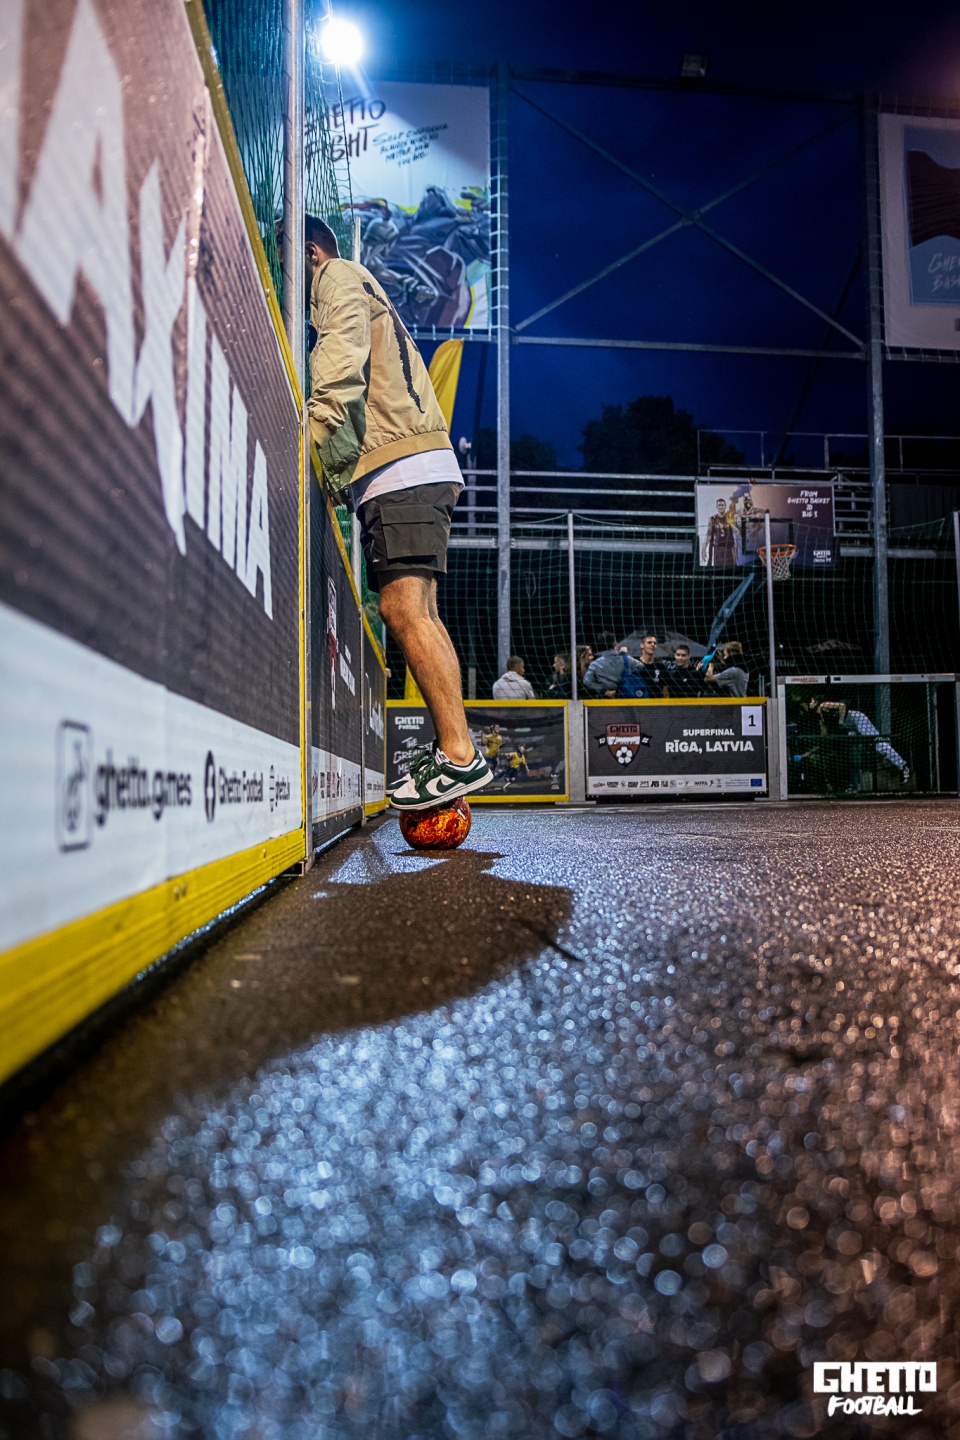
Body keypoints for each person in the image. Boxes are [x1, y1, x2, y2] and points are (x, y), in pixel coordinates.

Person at [305, 214, 491, 809]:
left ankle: (459, 754)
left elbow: (341, 361)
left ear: (309, 252)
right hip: (410, 464)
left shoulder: (337, 275)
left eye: (286, 264)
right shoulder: (355, 281)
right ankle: (456, 750)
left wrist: (306, 439)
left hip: (403, 468)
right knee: (421, 612)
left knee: (402, 608)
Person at [806, 695, 910, 783]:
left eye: (811, 701)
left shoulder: (823, 705)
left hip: (857, 719)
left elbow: (842, 706)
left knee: (877, 742)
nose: (810, 703)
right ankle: (854, 783)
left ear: (816, 701)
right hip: (850, 727)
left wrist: (840, 722)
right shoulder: (819, 713)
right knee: (855, 746)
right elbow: (824, 728)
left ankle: (903, 765)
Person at [582, 633, 646, 698]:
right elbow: (641, 666)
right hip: (625, 696)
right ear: (614, 644)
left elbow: (587, 681)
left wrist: (604, 691)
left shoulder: (595, 664)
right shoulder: (625, 659)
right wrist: (626, 655)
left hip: (605, 700)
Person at [702, 496, 738, 567]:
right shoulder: (713, 519)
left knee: (730, 568)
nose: (721, 507)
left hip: (729, 548)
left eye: (722, 505)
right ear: (717, 507)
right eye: (719, 505)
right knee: (718, 569)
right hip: (718, 549)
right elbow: (708, 535)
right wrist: (703, 549)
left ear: (725, 506)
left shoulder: (729, 518)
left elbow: (736, 533)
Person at [635, 630, 668, 695]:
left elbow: (666, 692)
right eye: (649, 642)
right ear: (642, 645)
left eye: (654, 643)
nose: (653, 645)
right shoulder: (635, 665)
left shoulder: (661, 667)